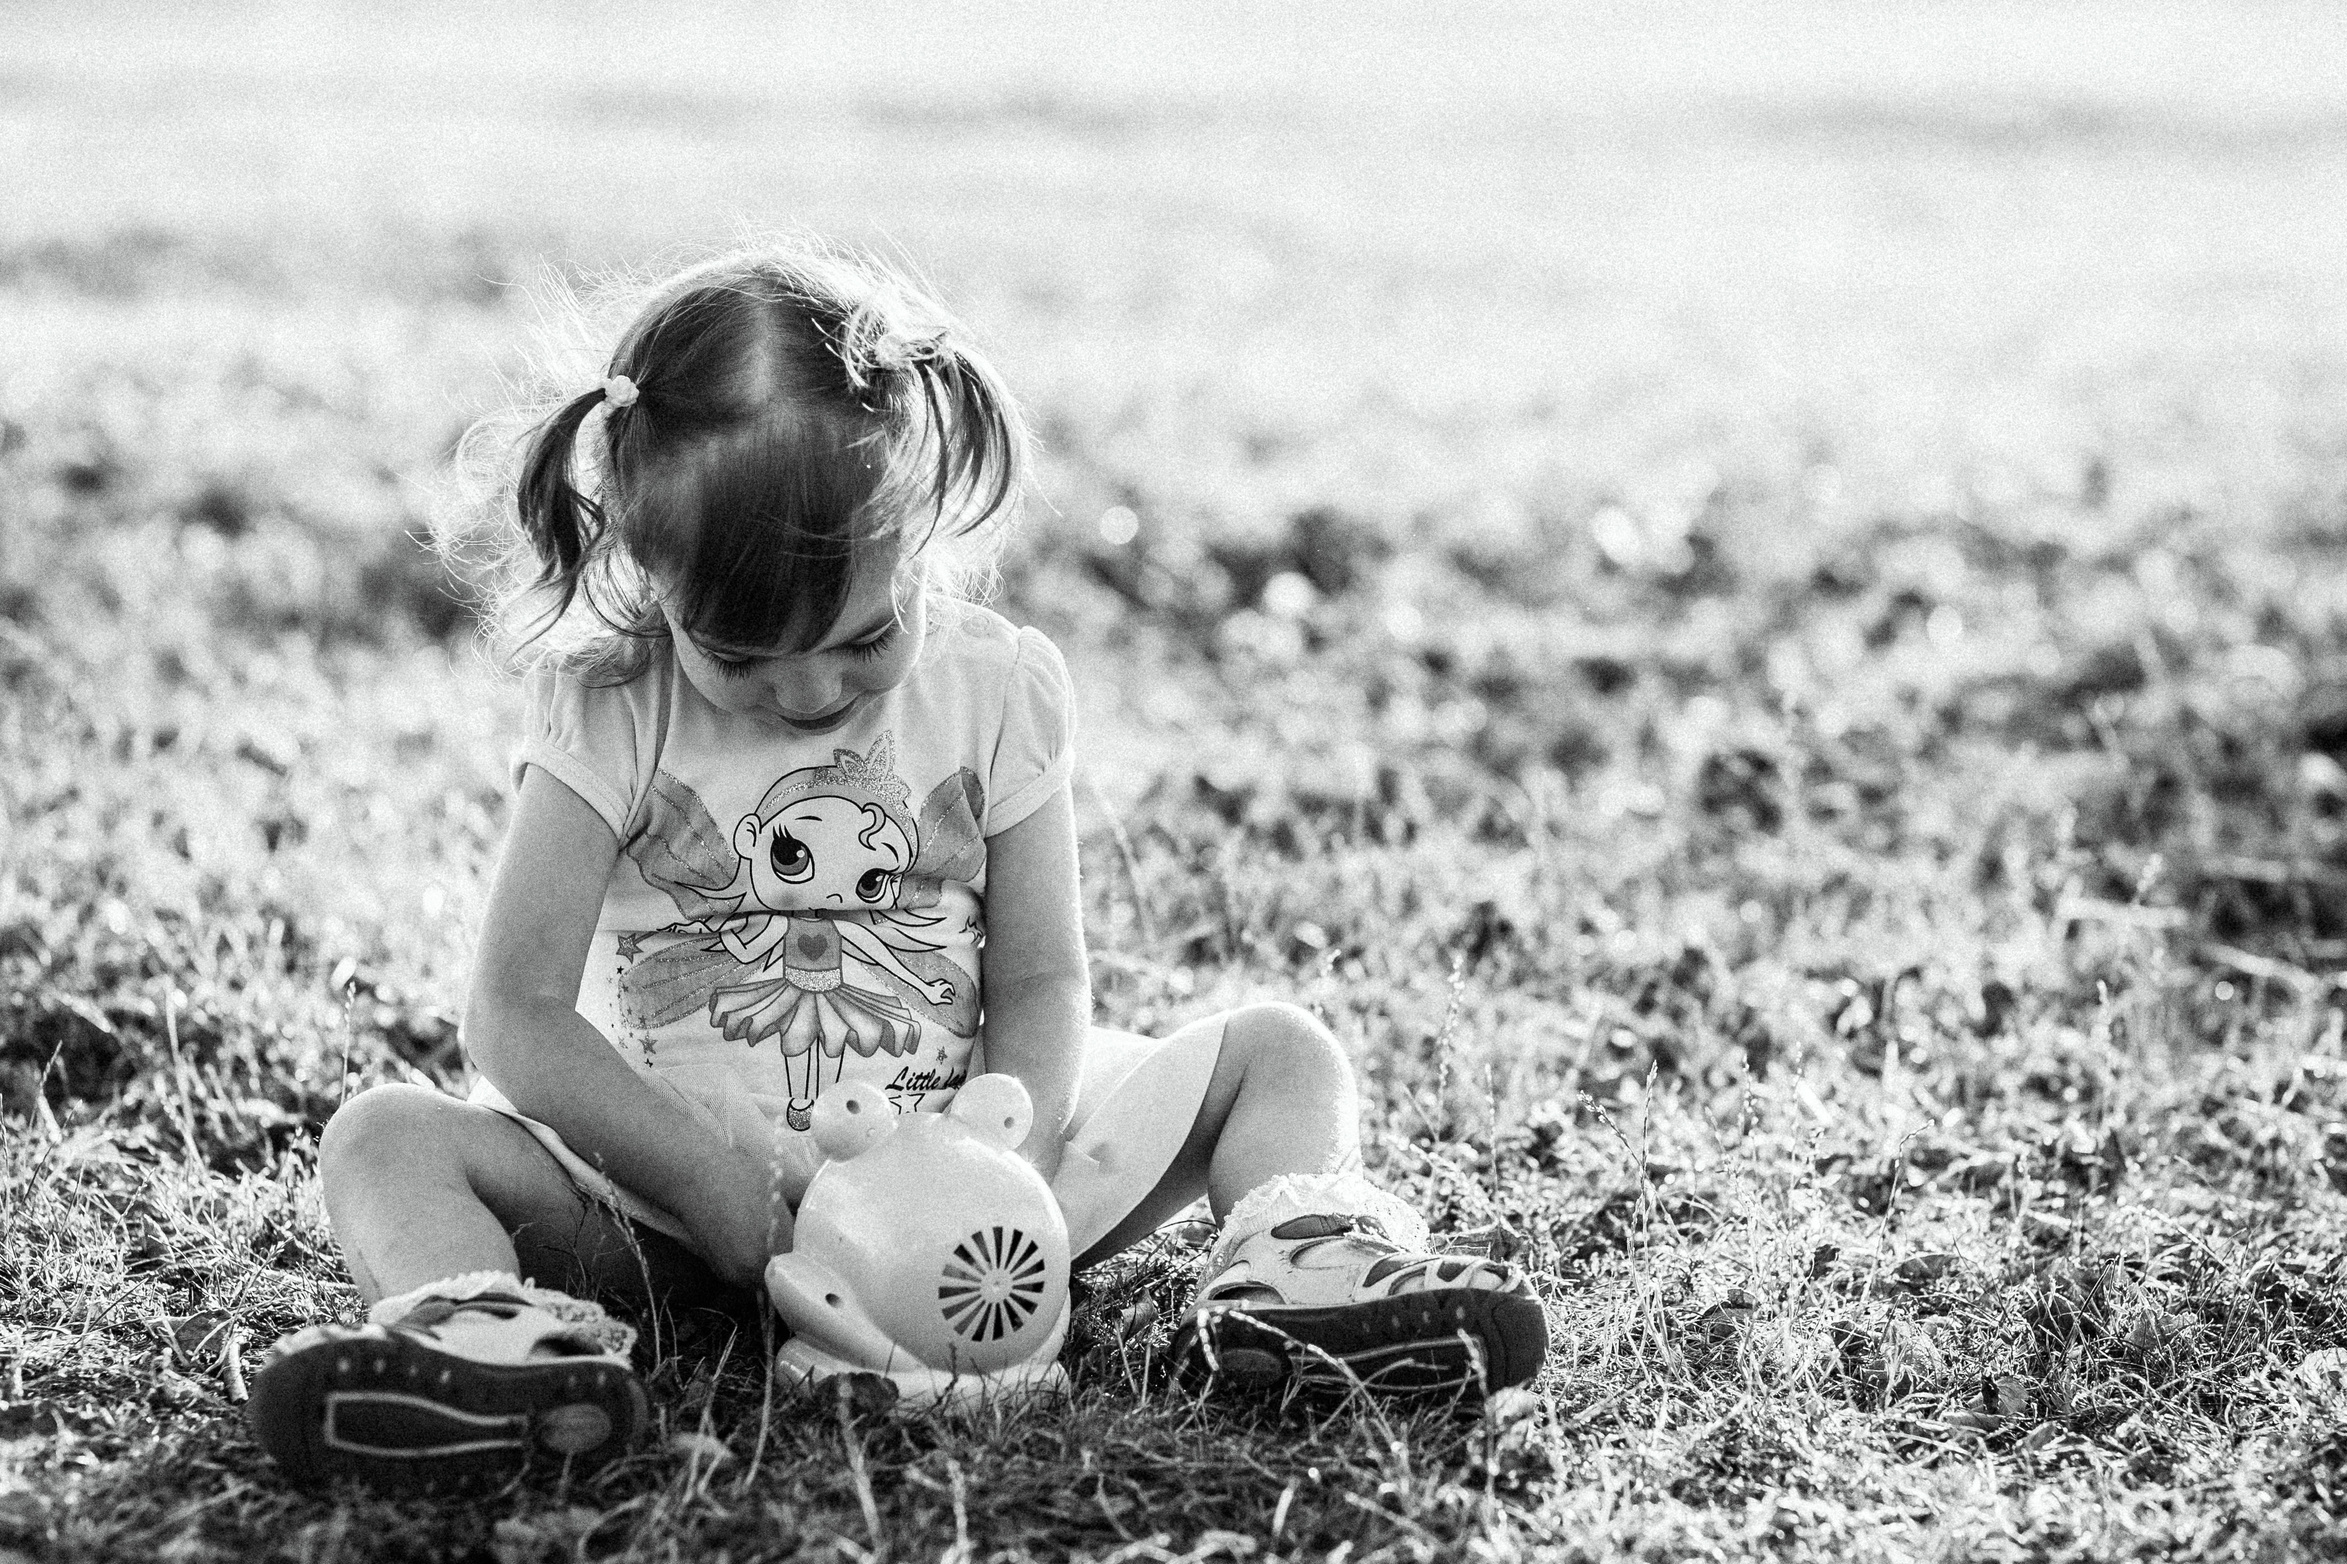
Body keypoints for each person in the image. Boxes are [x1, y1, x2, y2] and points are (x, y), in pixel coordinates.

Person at [249, 247, 1546, 1490]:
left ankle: (1298, 1283)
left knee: (1284, 1053)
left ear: (923, 530)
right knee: (385, 1138)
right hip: (657, 1224)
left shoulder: (994, 690)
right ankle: (488, 1354)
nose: (810, 689)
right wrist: (704, 1180)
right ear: (653, 569)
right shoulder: (613, 705)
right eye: (743, 658)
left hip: (967, 1203)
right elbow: (514, 1013)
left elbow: (1041, 977)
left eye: (865, 636)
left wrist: (1006, 1151)